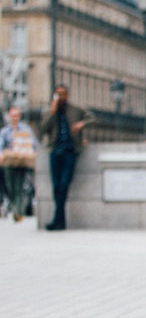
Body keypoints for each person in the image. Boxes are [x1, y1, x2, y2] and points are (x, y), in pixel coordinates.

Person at [39, 85, 95, 230]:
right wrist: (52, 112)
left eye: (63, 94)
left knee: (63, 184)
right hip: (55, 151)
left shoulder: (75, 110)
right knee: (57, 186)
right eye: (58, 94)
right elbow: (43, 129)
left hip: (70, 151)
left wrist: (81, 124)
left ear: (67, 95)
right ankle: (60, 221)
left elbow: (93, 118)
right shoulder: (50, 111)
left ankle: (58, 220)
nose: (61, 97)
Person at [1, 106, 38, 222]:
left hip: (21, 162)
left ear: (19, 116)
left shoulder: (26, 129)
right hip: (9, 162)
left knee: (19, 187)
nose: (14, 118)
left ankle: (18, 213)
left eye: (16, 115)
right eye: (12, 116)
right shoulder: (5, 131)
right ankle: (13, 206)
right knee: (9, 187)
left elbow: (33, 144)